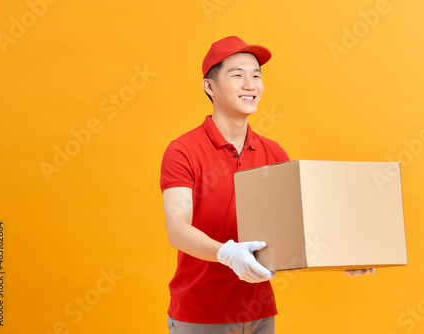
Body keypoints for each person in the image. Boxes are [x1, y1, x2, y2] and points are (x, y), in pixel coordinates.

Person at [160, 36, 373, 334]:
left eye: (256, 75)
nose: (250, 84)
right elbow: (178, 228)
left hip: (259, 312)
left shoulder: (273, 153)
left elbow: (297, 227)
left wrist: (345, 255)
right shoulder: (183, 150)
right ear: (210, 86)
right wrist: (226, 253)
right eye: (237, 75)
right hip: (200, 315)